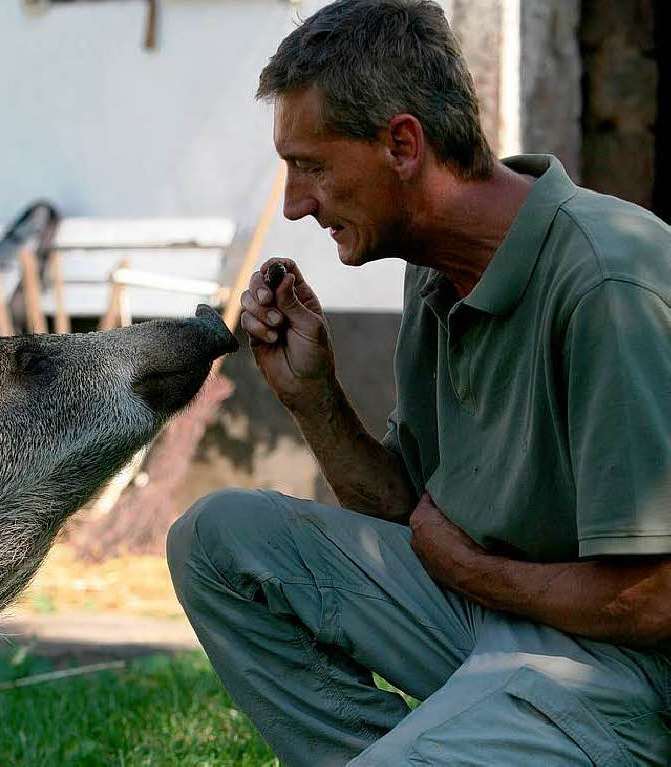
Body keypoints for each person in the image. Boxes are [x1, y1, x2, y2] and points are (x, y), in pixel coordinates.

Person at [166, 1, 671, 764]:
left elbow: (654, 597)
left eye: (312, 166)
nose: (297, 204)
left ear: (402, 144)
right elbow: (413, 515)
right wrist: (315, 397)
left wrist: (472, 571)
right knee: (215, 540)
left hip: (626, 669)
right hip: (488, 617)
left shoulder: (608, 280)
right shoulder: (435, 273)